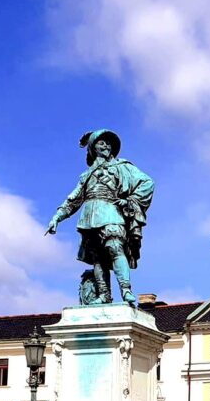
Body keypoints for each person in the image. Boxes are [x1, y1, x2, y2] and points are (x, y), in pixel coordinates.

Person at [47, 129, 154, 306]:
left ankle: (126, 290)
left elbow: (147, 182)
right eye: (101, 142)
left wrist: (130, 201)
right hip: (89, 218)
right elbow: (73, 199)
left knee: (115, 248)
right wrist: (57, 217)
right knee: (98, 259)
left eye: (108, 143)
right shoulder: (86, 175)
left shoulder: (122, 166)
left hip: (110, 212)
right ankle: (104, 295)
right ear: (92, 148)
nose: (106, 145)